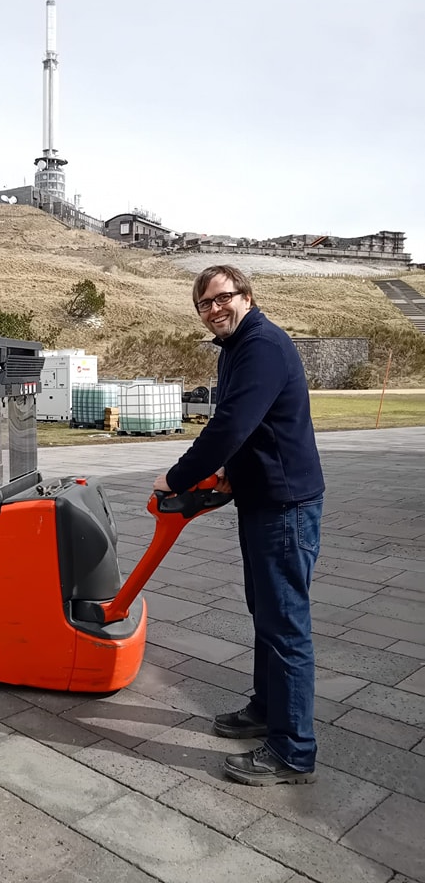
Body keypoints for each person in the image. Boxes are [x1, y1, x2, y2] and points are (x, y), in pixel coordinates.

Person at [153, 264, 324, 787]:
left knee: (285, 624)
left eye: (222, 298)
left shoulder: (263, 346)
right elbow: (251, 425)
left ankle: (293, 751)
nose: (214, 310)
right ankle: (266, 710)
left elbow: (230, 424)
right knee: (266, 614)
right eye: (204, 304)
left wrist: (176, 477)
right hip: (261, 498)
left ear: (246, 296)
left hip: (285, 505)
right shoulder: (237, 349)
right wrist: (229, 472)